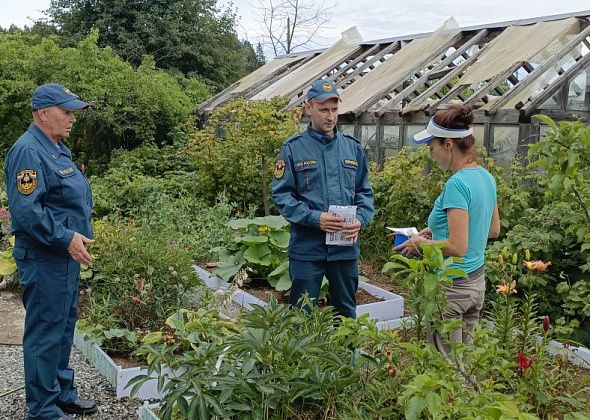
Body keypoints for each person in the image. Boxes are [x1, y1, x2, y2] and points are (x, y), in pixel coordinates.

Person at [5, 83, 97, 420]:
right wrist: (65, 237)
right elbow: (27, 211)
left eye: (73, 113)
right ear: (43, 114)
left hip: (64, 257)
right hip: (45, 257)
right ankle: (42, 409)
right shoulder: (28, 151)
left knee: (62, 326)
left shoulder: (56, 147)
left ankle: (60, 392)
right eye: (66, 112)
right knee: (45, 331)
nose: (72, 119)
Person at [395, 105, 500, 352]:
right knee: (466, 362)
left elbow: (458, 247)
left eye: (432, 148)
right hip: (476, 284)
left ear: (449, 145)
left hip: (452, 287)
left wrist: (420, 242)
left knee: (447, 365)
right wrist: (437, 233)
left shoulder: (457, 184)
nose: (431, 154)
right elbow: (493, 229)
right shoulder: (486, 176)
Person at [272, 79, 374, 319]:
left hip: (344, 250)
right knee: (301, 315)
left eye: (335, 110)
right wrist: (315, 218)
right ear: (309, 109)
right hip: (308, 249)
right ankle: (302, 358)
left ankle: (346, 357)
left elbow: (364, 192)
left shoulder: (352, 149)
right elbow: (282, 194)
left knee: (346, 313)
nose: (330, 117)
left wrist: (360, 218)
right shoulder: (293, 149)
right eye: (324, 110)